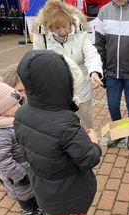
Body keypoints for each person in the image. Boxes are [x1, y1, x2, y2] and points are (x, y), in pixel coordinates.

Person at [14, 50, 102, 215]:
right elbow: (89, 158)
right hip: (74, 190)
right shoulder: (66, 123)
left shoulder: (21, 113)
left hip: (45, 189)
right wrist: (93, 142)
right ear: (61, 85)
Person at [33, 0, 103, 130]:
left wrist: (94, 72)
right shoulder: (41, 34)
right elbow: (38, 60)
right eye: (57, 28)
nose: (62, 31)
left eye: (65, 26)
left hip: (82, 83)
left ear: (69, 20)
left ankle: (90, 142)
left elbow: (91, 53)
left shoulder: (79, 30)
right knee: (64, 120)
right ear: (49, 26)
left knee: (85, 116)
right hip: (57, 85)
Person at [95, 0, 129, 149]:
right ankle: (119, 133)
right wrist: (101, 70)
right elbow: (99, 44)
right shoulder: (104, 12)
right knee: (113, 104)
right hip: (111, 70)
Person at [0, 82, 46, 215]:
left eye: (18, 103)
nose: (19, 106)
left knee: (32, 189)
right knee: (23, 194)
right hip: (17, 174)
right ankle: (28, 210)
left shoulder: (12, 122)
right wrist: (20, 176)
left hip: (28, 166)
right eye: (13, 105)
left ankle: (36, 203)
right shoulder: (2, 134)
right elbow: (2, 161)